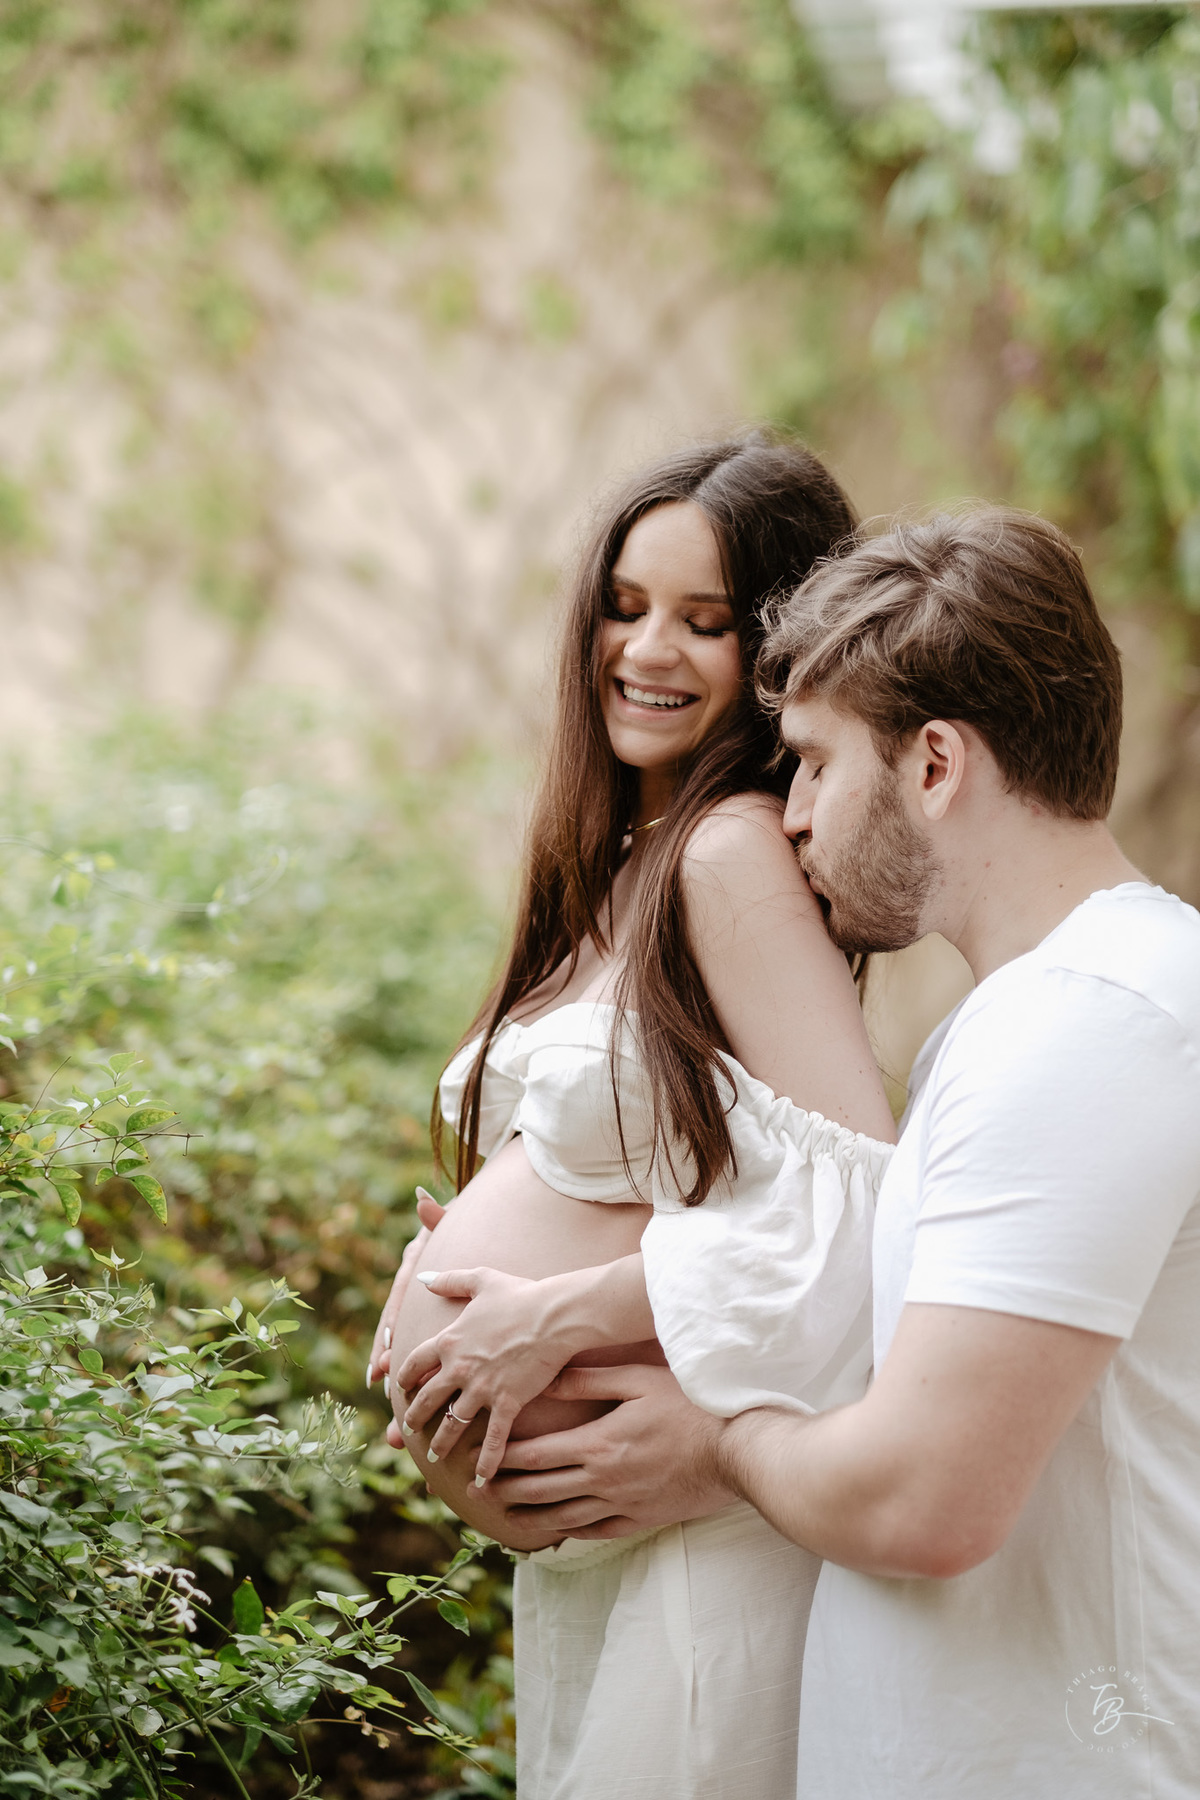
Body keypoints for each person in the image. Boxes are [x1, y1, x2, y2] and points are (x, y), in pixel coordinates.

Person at [484, 506, 1200, 1798]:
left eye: (815, 763)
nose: (794, 816)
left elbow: (923, 1500)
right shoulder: (1054, 1014)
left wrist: (715, 1446)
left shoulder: (1087, 1027)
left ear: (935, 764)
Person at [366, 434, 898, 1799]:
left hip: (705, 1557)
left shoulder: (728, 854)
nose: (646, 650)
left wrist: (556, 1315)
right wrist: (453, 1286)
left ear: (774, 656)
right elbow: (671, 1170)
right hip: (605, 1568)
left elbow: (869, 1205)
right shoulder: (621, 859)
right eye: (625, 604)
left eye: (704, 621)